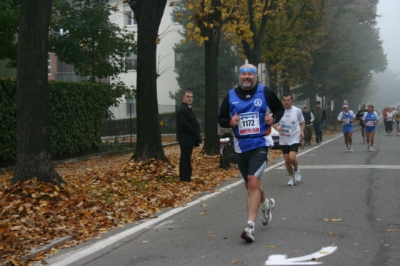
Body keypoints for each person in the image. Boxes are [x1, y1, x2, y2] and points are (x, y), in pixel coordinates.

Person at [218, 63, 284, 243]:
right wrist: (230, 122)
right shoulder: (231, 96)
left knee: (253, 182)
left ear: (256, 77)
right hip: (241, 145)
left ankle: (250, 227)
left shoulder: (265, 92)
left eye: (250, 74)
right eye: (243, 74)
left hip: (261, 142)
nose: (247, 77)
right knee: (250, 185)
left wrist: (273, 118)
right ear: (239, 77)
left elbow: (279, 109)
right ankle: (266, 204)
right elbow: (221, 118)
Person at [275, 94, 305, 186]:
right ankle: (291, 178)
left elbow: (302, 122)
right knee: (287, 160)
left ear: (292, 101)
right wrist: (277, 127)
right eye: (284, 100)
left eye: (288, 100)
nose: (286, 102)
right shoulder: (279, 111)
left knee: (292, 158)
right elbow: (272, 122)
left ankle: (296, 169)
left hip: (294, 137)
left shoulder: (297, 111)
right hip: (284, 139)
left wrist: (302, 131)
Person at [176, 91, 202, 182]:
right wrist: (193, 129)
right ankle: (185, 177)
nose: (190, 98)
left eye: (191, 97)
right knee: (186, 157)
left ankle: (185, 176)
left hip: (188, 138)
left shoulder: (186, 108)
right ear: (183, 98)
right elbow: (182, 123)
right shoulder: (183, 109)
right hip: (185, 138)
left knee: (186, 157)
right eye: (188, 96)